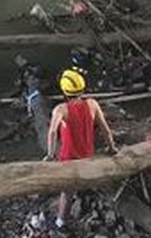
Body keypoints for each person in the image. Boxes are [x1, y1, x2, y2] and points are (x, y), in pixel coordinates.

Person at [46, 69, 116, 229]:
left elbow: (52, 132)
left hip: (69, 158)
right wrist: (112, 147)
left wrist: (50, 155)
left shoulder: (61, 109)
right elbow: (105, 128)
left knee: (66, 193)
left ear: (64, 90)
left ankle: (61, 222)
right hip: (88, 155)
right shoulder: (92, 104)